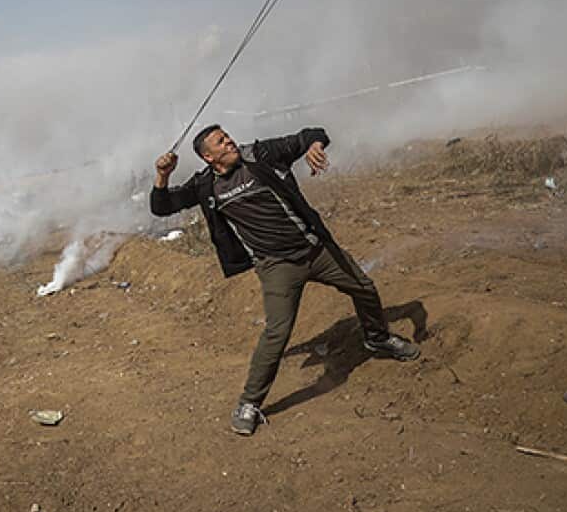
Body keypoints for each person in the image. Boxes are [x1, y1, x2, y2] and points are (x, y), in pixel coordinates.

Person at [150, 124, 420, 436]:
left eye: (227, 136)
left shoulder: (260, 154)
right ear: (209, 157)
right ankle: (249, 403)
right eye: (221, 142)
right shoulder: (205, 185)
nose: (230, 142)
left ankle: (377, 337)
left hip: (316, 251)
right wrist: (163, 176)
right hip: (276, 266)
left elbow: (310, 134)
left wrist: (314, 146)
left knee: (364, 287)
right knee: (277, 332)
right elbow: (162, 207)